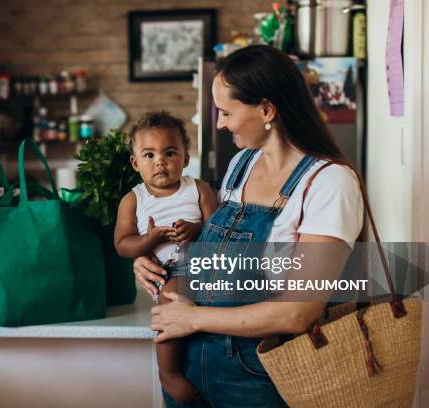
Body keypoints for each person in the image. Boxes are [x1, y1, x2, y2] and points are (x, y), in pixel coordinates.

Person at [133, 45, 365, 407]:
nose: (220, 123)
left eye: (226, 112)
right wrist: (152, 262)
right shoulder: (241, 164)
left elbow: (298, 312)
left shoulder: (329, 183)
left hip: (260, 373)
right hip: (192, 364)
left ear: (267, 110)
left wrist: (193, 317)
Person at [114, 111, 218, 405]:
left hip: (205, 264)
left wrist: (197, 229)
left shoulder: (198, 189)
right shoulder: (134, 199)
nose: (160, 161)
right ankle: (169, 372)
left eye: (169, 152)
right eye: (149, 154)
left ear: (185, 158)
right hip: (167, 271)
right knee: (173, 299)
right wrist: (150, 239)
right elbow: (122, 244)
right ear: (136, 163)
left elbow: (217, 230)